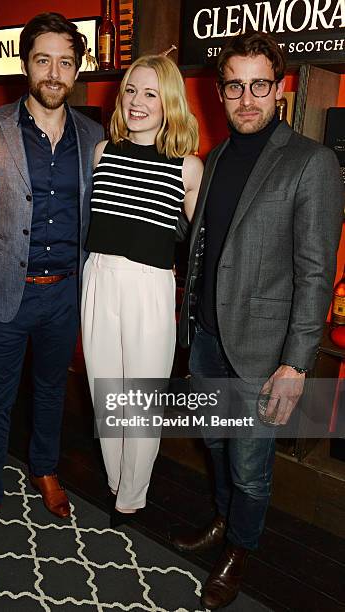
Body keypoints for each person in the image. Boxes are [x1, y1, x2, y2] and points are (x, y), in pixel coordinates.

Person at [170, 31, 344, 610]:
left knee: (250, 465)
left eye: (260, 85)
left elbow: (316, 272)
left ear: (281, 88)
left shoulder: (310, 161)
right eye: (236, 86)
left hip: (264, 351)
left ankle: (240, 548)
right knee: (217, 447)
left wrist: (297, 362)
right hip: (207, 343)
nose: (248, 98)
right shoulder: (215, 157)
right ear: (220, 92)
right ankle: (224, 522)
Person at [0, 12, 104, 560]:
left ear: (77, 68)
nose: (54, 73)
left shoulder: (94, 134)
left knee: (51, 391)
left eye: (65, 61)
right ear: (25, 65)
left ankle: (45, 469)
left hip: (65, 293)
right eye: (44, 60)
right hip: (2, 293)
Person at [81, 54, 203, 527]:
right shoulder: (102, 153)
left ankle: (132, 496)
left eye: (150, 93)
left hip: (150, 287)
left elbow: (200, 245)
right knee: (104, 393)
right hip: (99, 278)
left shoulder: (187, 168)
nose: (137, 102)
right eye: (131, 90)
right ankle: (116, 481)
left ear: (169, 101)